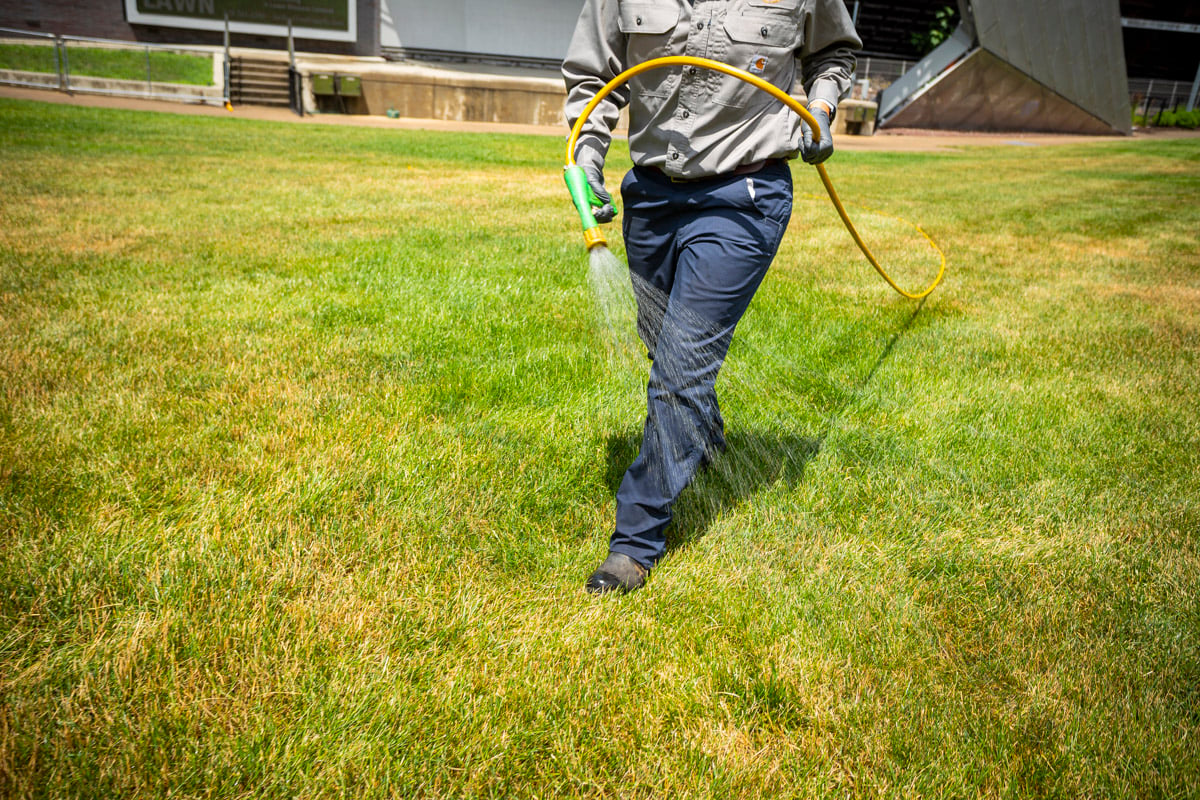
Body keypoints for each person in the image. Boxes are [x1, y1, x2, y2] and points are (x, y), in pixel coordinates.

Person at [564, 0, 861, 594]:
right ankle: (705, 434)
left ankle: (635, 541)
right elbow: (593, 77)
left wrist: (820, 109)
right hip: (650, 196)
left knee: (680, 370)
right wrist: (586, 159)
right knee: (663, 342)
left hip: (745, 196)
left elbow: (833, 52)